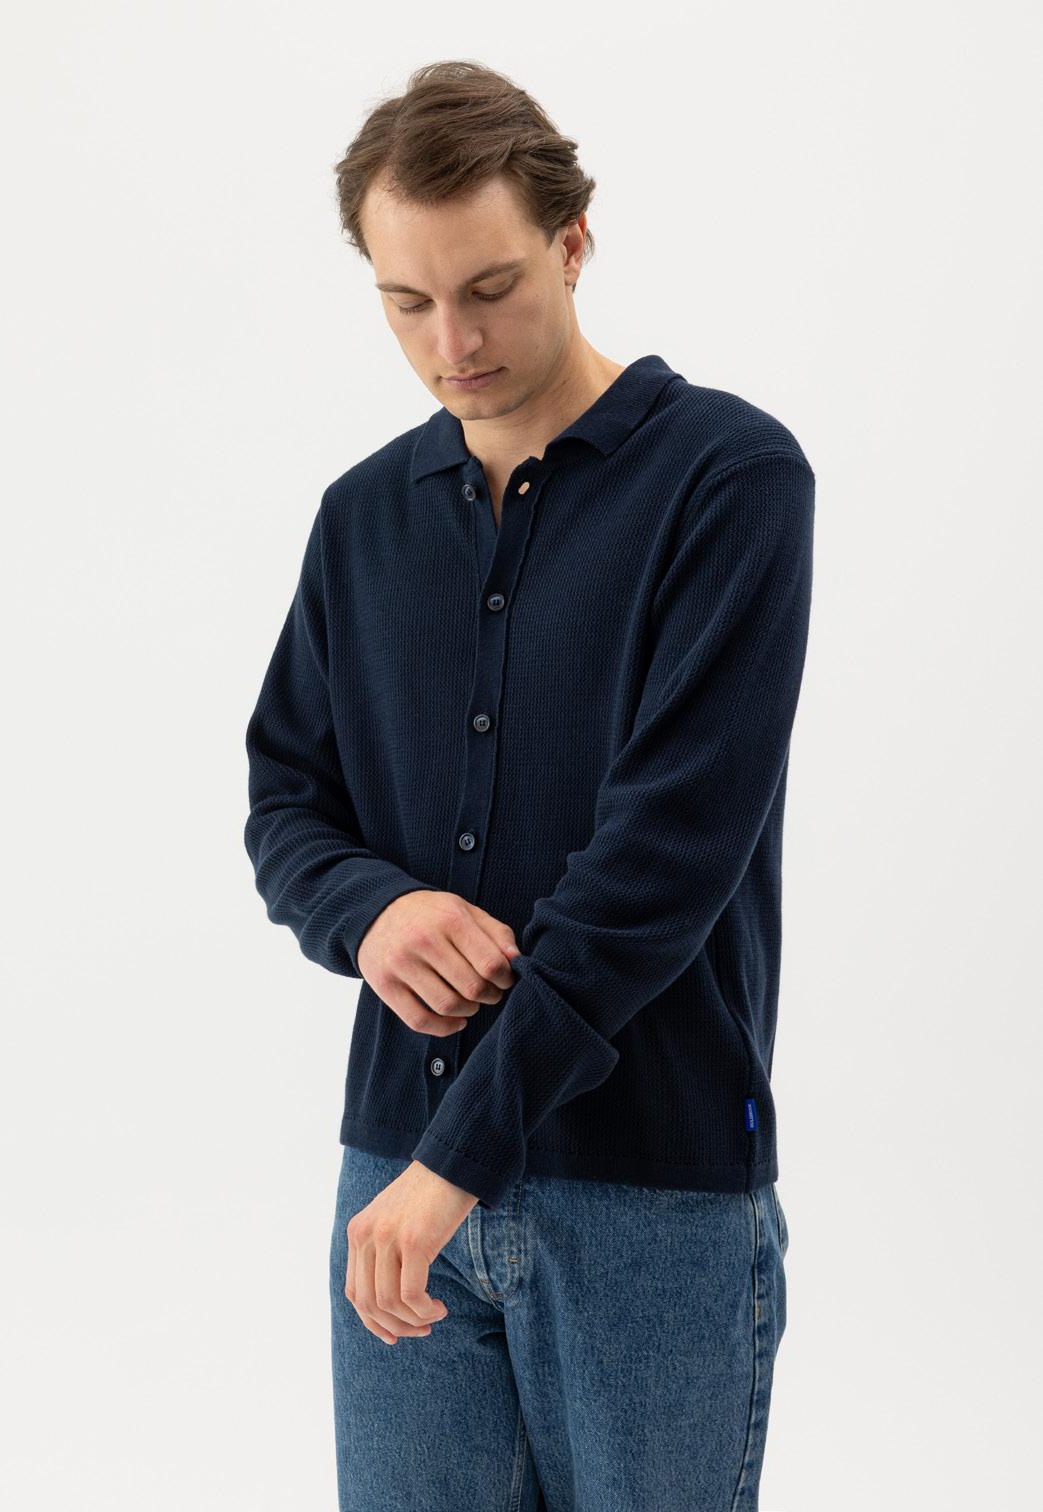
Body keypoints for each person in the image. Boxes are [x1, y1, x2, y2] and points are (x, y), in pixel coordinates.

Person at [244, 58, 810, 1512]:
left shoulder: (729, 480)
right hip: (397, 1179)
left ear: (572, 241)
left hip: (647, 1194)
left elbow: (663, 865)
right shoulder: (361, 518)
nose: (453, 343)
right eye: (407, 302)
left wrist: (455, 1161)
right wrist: (369, 911)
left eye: (489, 287)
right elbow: (286, 798)